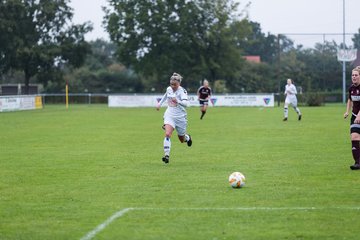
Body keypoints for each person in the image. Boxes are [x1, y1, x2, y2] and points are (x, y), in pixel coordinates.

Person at [156, 72, 192, 164]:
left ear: (179, 83)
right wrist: (159, 103)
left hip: (180, 117)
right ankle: (166, 155)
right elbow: (166, 95)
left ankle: (187, 138)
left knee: (181, 139)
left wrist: (178, 101)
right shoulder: (169, 88)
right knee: (167, 134)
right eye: (171, 84)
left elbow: (186, 104)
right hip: (170, 114)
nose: (172, 86)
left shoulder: (182, 91)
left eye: (174, 85)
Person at [344, 66, 360, 170]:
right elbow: (350, 100)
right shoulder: (351, 88)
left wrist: (359, 115)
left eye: (356, 75)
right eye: (352, 75)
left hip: (359, 116)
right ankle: (357, 163)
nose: (354, 77)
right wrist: (347, 111)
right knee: (354, 137)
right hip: (355, 117)